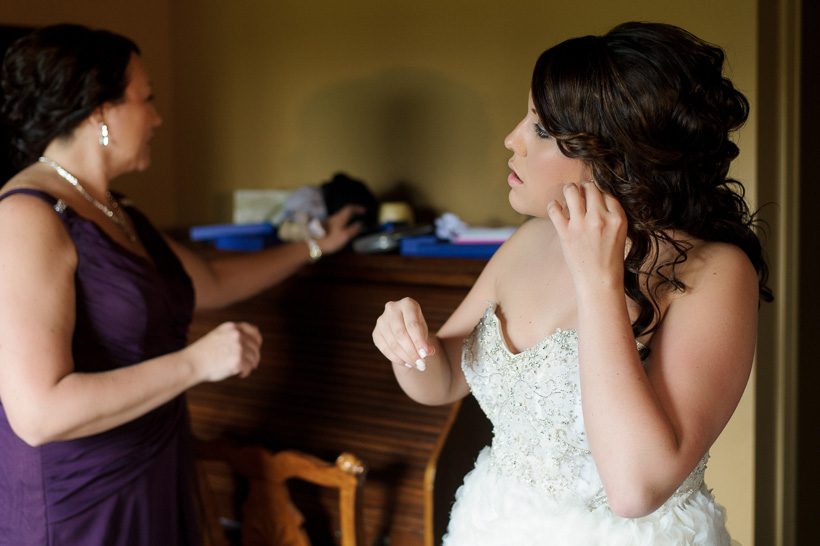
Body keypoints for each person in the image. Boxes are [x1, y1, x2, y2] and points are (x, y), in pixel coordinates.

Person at [372, 21, 771, 545]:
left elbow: (636, 490)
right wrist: (407, 344)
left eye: (540, 128)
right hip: (491, 526)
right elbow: (442, 381)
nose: (511, 139)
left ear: (610, 156)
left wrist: (598, 280)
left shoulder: (714, 271)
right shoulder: (530, 242)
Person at [0, 24, 361, 545]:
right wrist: (197, 363)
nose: (157, 117)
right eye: (146, 99)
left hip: (154, 470)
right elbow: (38, 413)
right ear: (101, 110)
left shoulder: (117, 210)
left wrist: (312, 247)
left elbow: (209, 281)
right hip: (79, 501)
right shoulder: (27, 217)